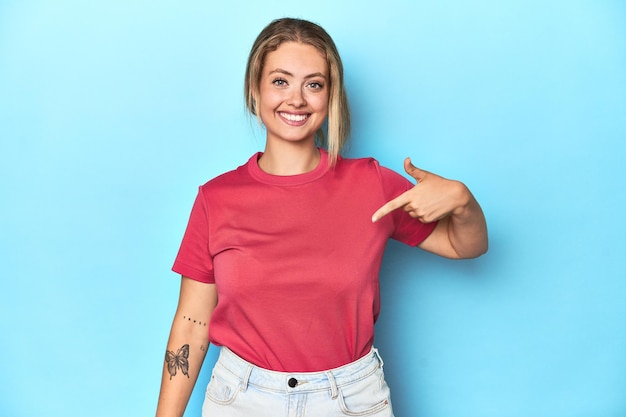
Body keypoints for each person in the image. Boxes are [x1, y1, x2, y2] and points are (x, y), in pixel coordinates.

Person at [155, 17, 487, 417]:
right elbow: (192, 322)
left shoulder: (372, 185)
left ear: (330, 98)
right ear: (254, 90)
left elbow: (464, 244)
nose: (296, 98)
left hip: (350, 399)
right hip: (241, 399)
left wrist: (464, 202)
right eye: (280, 81)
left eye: (313, 84)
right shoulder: (217, 198)